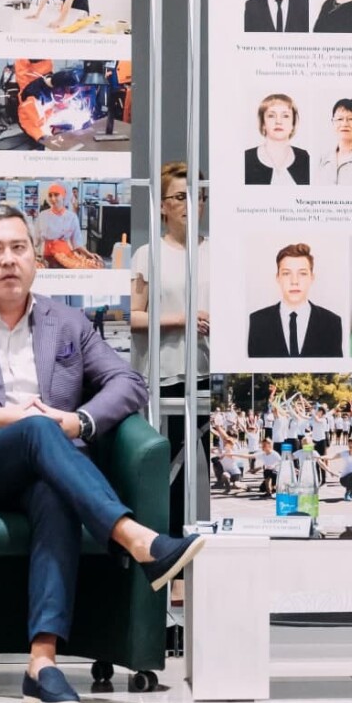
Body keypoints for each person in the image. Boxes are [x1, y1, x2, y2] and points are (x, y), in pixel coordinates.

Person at [0, 203, 205, 703]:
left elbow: (128, 383)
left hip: (55, 466)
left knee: (54, 493)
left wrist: (79, 421)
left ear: (35, 258)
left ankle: (42, 663)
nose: (8, 259)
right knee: (33, 427)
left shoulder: (68, 322)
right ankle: (136, 538)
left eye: (18, 247)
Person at [130, 162, 211, 537]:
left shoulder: (218, 252)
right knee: (173, 471)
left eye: (198, 195)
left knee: (215, 468)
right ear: (162, 205)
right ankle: (170, 551)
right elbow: (132, 316)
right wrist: (180, 319)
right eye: (180, 196)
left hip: (211, 373)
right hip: (167, 375)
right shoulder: (148, 254)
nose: (191, 203)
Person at [248, 243, 343, 358]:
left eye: (302, 273)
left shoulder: (332, 323)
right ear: (278, 277)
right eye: (286, 273)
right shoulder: (257, 322)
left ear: (312, 277)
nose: (294, 281)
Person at [244, 94, 310, 185]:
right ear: (263, 124)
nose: (278, 121)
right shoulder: (246, 158)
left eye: (285, 116)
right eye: (271, 116)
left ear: (293, 124)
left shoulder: (305, 157)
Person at [34, 183, 101, 269]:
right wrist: (34, 257)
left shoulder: (71, 217)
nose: (53, 198)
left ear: (63, 196)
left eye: (56, 195)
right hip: (47, 258)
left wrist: (88, 254)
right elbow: (35, 241)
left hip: (66, 257)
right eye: (50, 195)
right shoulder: (43, 216)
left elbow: (77, 242)